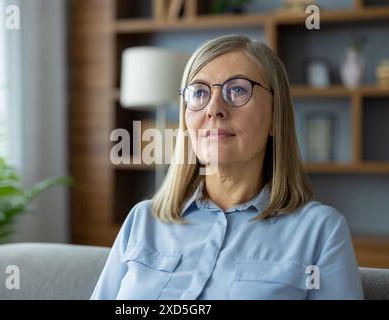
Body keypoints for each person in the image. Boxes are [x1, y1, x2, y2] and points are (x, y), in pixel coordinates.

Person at [91, 34, 363, 300]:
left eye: (238, 90)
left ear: (275, 117)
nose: (214, 108)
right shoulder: (143, 220)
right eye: (198, 92)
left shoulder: (320, 231)